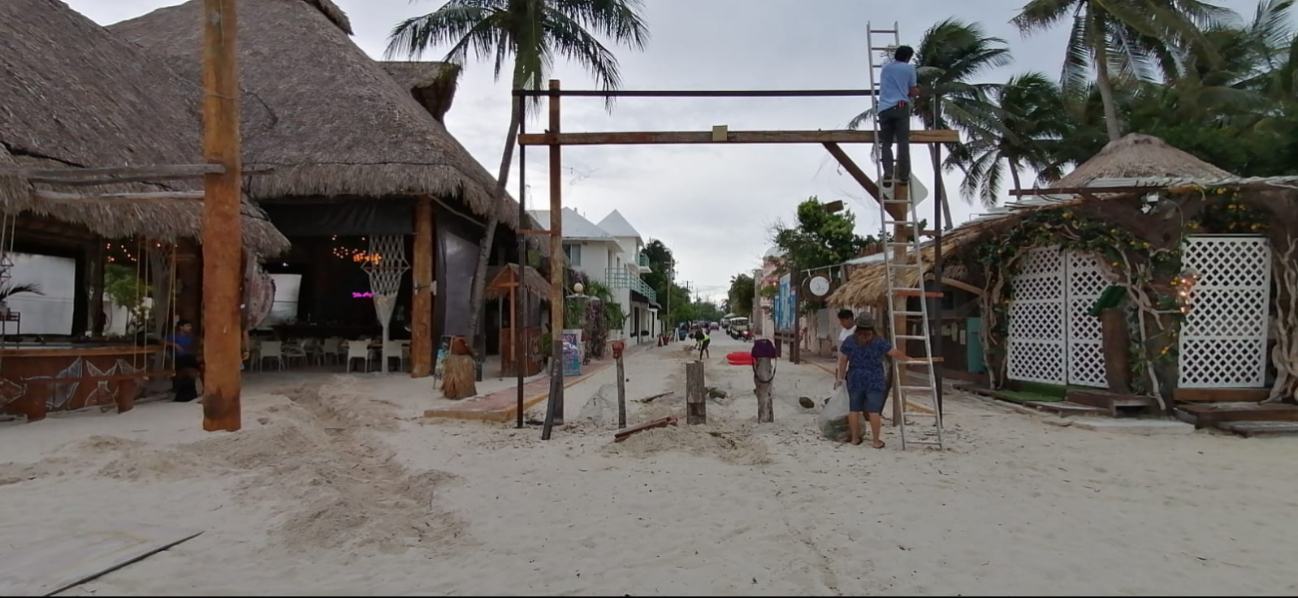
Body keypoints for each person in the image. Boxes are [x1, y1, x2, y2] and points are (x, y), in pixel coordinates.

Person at [834, 313, 912, 448]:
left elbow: (843, 360)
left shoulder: (850, 340)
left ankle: (854, 438)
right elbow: (894, 353)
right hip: (875, 377)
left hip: (855, 377)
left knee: (853, 409)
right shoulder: (879, 340)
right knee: (874, 411)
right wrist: (908, 358)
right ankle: (876, 441)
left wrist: (840, 378)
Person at [878, 45, 920, 189]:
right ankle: (903, 175)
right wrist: (919, 91)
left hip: (884, 108)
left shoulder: (885, 67)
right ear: (908, 58)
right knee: (903, 142)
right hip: (900, 106)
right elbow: (912, 90)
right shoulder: (909, 69)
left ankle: (888, 172)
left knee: (886, 143)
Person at [164, 319, 200, 403]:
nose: (190, 328)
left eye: (190, 326)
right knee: (186, 368)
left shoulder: (191, 337)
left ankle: (191, 392)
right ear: (181, 327)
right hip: (178, 358)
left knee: (193, 364)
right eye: (187, 326)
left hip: (189, 357)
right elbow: (163, 341)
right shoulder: (174, 336)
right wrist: (175, 345)